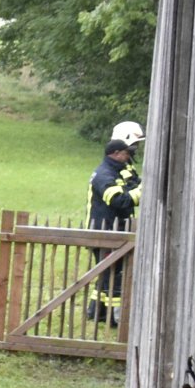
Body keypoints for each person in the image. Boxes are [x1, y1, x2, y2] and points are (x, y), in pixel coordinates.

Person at [86, 121, 144, 325]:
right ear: (118, 152)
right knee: (114, 276)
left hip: (115, 229)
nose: (132, 153)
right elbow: (120, 200)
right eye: (129, 150)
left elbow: (133, 183)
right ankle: (116, 319)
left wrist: (138, 185)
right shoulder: (104, 175)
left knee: (105, 274)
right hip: (105, 232)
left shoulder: (122, 168)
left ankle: (97, 313)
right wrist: (144, 191)